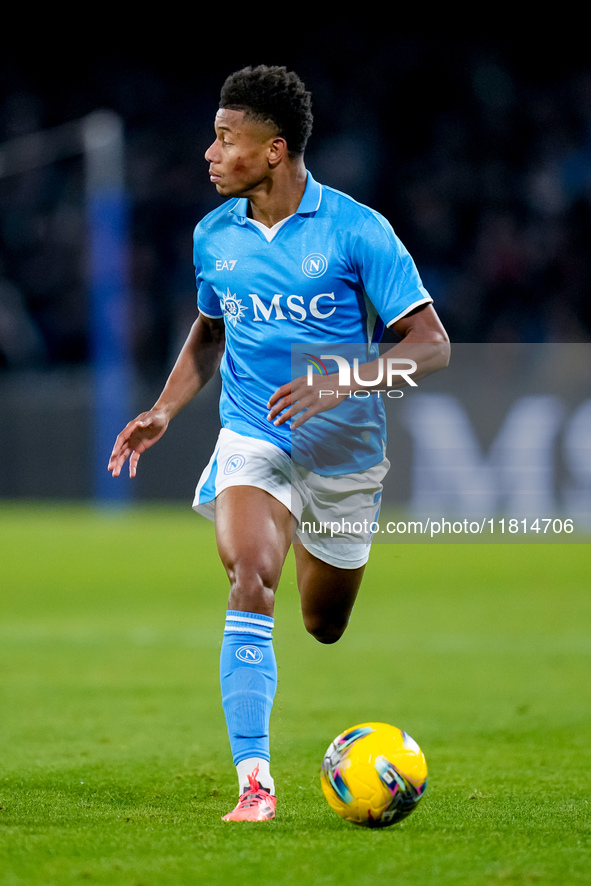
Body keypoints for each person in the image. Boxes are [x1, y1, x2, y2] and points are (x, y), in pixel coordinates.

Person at [108, 64, 450, 822]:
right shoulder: (213, 235)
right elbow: (211, 329)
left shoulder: (357, 228)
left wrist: (343, 380)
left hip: (343, 454)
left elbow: (430, 344)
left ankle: (314, 556)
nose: (209, 153)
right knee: (249, 577)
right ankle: (254, 785)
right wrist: (165, 408)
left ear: (274, 151)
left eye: (225, 139)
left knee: (323, 624)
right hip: (253, 434)